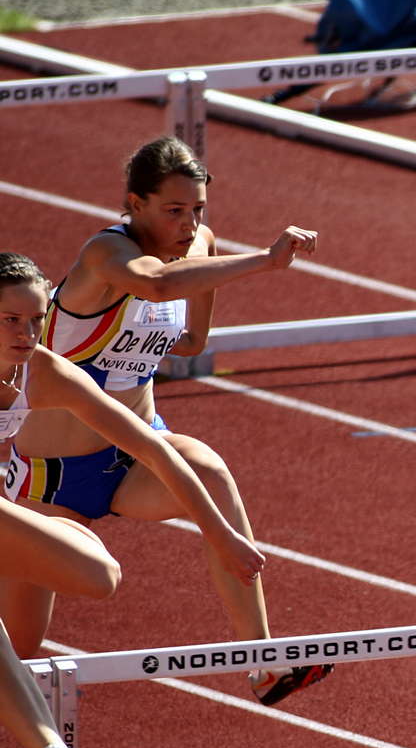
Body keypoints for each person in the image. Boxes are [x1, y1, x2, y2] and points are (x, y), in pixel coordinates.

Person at [4, 137, 327, 706]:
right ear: (136, 204)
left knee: (211, 472)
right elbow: (154, 285)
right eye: (173, 210)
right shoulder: (106, 254)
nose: (189, 223)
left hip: (133, 452)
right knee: (21, 654)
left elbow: (193, 340)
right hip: (49, 477)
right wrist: (267, 261)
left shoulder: (201, 245)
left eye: (197, 208)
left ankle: (263, 662)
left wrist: (140, 344)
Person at [0, 253, 269, 748]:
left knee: (93, 581)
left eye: (36, 319)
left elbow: (151, 447)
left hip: (16, 507)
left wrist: (219, 532)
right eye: (10, 321)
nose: (26, 333)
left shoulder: (43, 372)